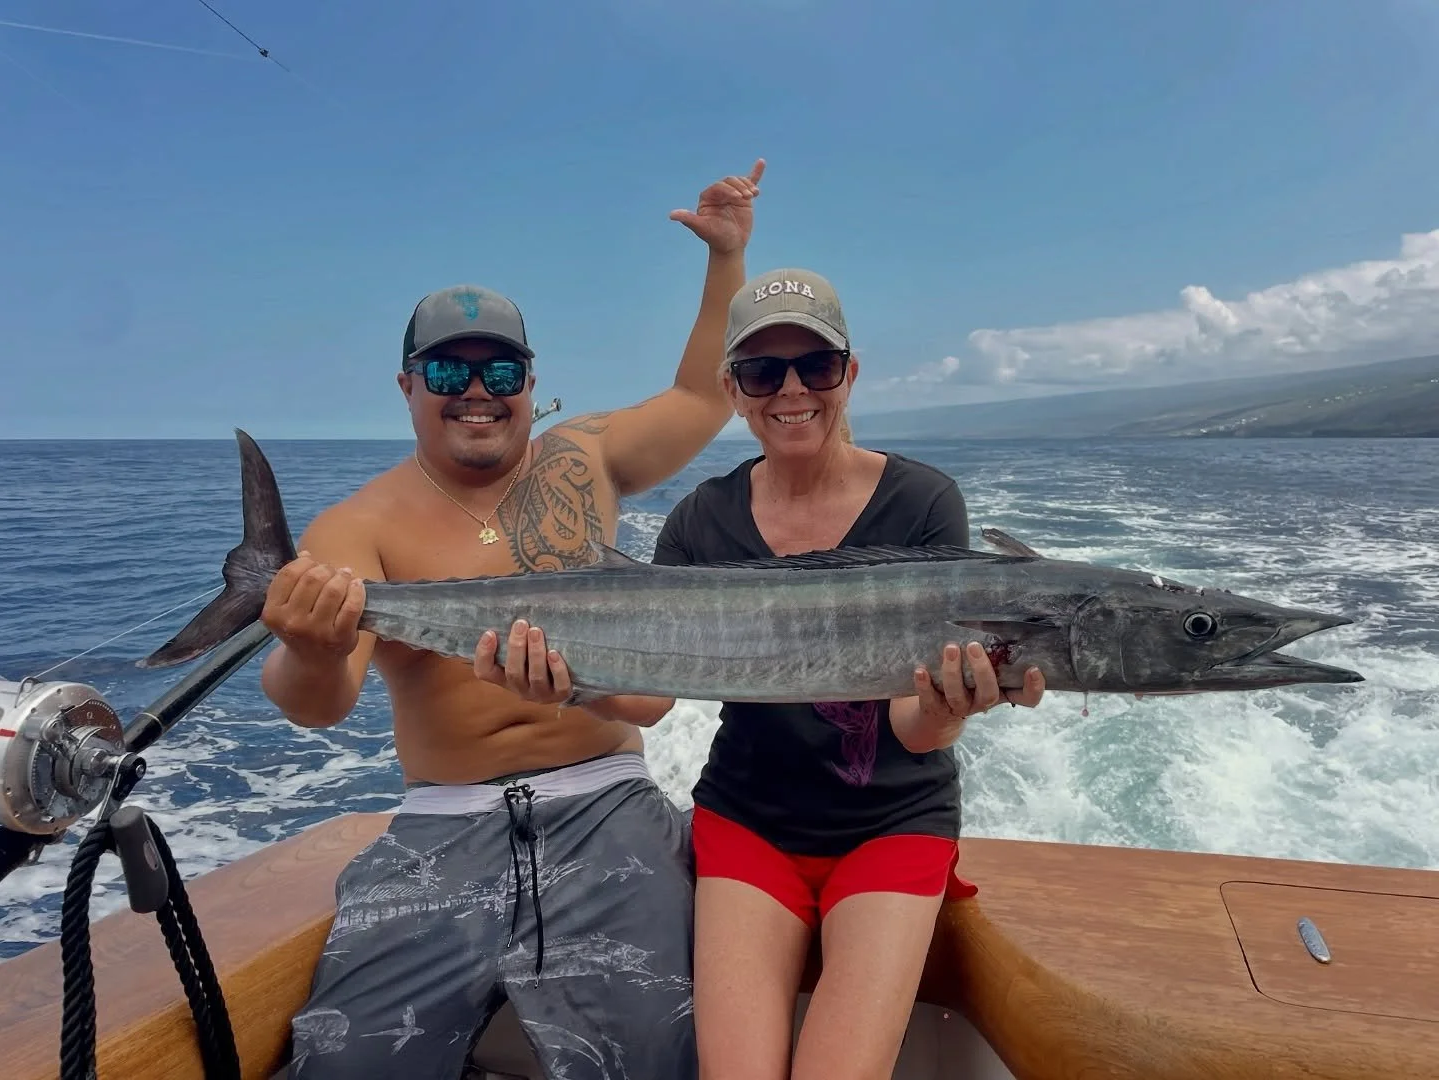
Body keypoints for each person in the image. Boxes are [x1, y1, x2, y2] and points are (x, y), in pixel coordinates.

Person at [263, 159, 766, 1080]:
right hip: (438, 825)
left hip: (607, 804)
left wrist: (726, 257)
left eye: (501, 368)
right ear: (407, 386)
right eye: (448, 369)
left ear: (532, 382)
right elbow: (318, 701)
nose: (477, 390)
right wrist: (305, 643)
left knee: (659, 1055)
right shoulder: (358, 525)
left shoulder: (589, 457)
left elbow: (702, 397)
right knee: (348, 1064)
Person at [485, 267, 1047, 1080]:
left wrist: (956, 707)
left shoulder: (925, 502)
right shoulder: (700, 520)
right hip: (749, 824)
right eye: (762, 371)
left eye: (814, 366)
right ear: (734, 390)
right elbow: (649, 700)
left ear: (849, 374)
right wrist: (566, 680)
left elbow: (909, 728)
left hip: (892, 826)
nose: (791, 390)